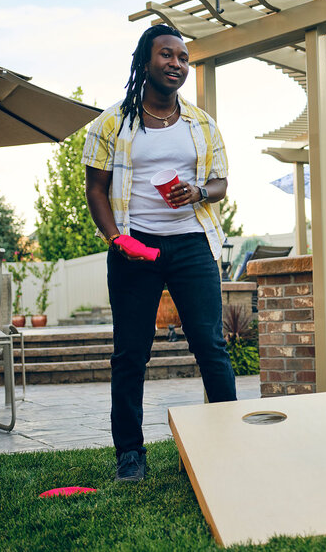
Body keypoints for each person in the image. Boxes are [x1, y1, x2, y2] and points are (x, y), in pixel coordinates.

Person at [82, 24, 237, 482]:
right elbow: (96, 189)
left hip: (192, 243)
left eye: (183, 58)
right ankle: (130, 454)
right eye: (167, 55)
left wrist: (197, 192)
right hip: (135, 246)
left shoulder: (202, 124)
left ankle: (231, 443)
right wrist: (116, 239)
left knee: (210, 346)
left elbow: (221, 183)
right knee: (131, 352)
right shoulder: (111, 123)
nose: (177, 64)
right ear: (145, 62)